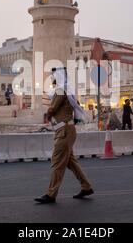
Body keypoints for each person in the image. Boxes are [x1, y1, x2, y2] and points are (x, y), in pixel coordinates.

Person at [35, 68, 94, 204]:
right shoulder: (68, 91)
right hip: (67, 130)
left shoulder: (61, 90)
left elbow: (52, 109)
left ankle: (51, 194)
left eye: (53, 75)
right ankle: (86, 187)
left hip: (64, 131)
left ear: (58, 76)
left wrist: (48, 116)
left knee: (57, 162)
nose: (52, 78)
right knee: (70, 162)